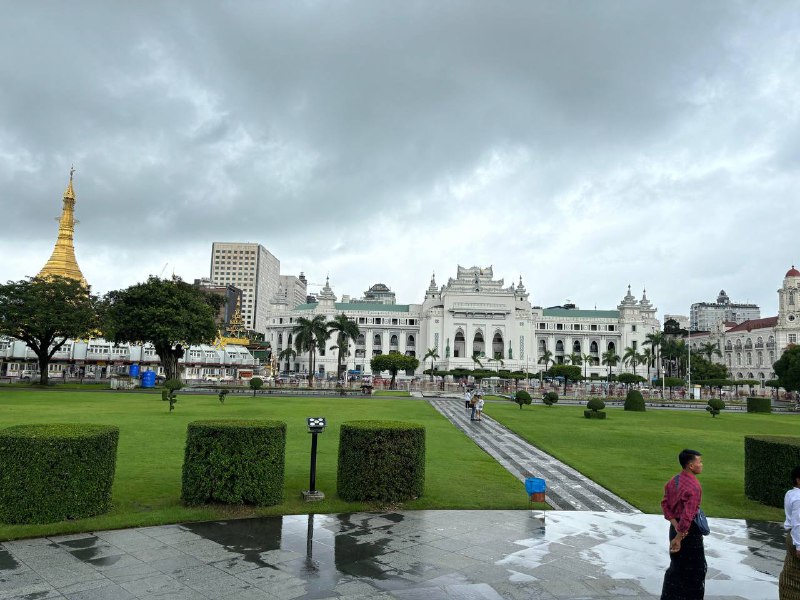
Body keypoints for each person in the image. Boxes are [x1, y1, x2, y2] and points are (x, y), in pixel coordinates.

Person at [660, 449, 706, 600]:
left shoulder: (674, 481)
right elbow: (688, 516)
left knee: (676, 568)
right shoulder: (694, 487)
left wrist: (674, 525)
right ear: (691, 465)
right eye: (699, 462)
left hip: (674, 529)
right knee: (696, 571)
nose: (701, 464)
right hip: (688, 534)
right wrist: (679, 538)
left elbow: (665, 504)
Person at [780, 465, 800, 599]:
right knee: (794, 576)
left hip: (792, 537)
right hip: (797, 538)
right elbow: (798, 523)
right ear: (798, 480)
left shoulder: (791, 493)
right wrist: (799, 545)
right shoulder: (798, 498)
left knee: (791, 570)